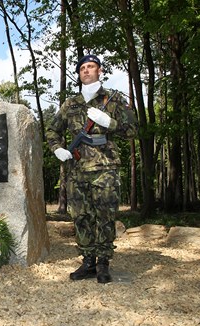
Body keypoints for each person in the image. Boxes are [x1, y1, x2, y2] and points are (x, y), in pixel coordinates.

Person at [46, 54, 137, 284]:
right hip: (77, 170)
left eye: (91, 67)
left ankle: (104, 262)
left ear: (100, 70)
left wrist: (110, 123)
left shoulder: (113, 99)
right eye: (83, 68)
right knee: (81, 217)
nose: (86, 70)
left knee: (105, 216)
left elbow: (132, 130)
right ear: (79, 73)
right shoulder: (71, 104)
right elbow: (52, 130)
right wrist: (57, 149)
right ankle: (88, 261)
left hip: (105, 167)